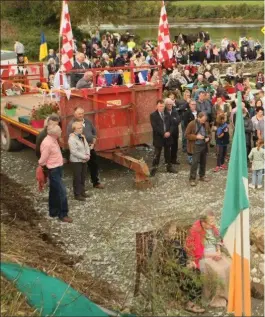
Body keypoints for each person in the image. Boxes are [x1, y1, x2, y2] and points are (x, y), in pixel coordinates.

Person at [157, 221, 205, 314]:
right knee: (194, 277)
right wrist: (186, 265)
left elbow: (183, 255)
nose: (174, 232)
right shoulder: (167, 244)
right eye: (172, 230)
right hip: (175, 269)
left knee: (197, 272)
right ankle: (190, 304)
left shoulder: (175, 241)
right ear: (166, 231)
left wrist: (189, 261)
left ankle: (192, 300)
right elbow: (174, 261)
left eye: (174, 229)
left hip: (181, 266)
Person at [186, 211, 231, 308]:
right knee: (219, 271)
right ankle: (216, 298)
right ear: (203, 222)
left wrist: (218, 251)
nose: (213, 224)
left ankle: (229, 295)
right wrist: (212, 254)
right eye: (211, 221)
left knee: (230, 265)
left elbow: (218, 239)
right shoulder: (195, 231)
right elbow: (197, 253)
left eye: (213, 221)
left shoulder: (212, 229)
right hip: (203, 258)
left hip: (215, 254)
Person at [38, 125, 72, 223]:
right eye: (60, 130)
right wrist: (46, 167)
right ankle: (63, 214)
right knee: (62, 192)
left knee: (53, 191)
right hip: (53, 170)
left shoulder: (53, 140)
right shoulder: (47, 143)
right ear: (54, 133)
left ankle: (53, 212)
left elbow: (53, 154)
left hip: (57, 168)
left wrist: (60, 160)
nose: (61, 131)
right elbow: (42, 160)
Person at [67, 107, 104, 189]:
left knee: (94, 165)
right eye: (79, 113)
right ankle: (80, 189)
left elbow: (94, 132)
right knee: (80, 170)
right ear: (74, 114)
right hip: (80, 150)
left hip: (90, 148)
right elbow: (70, 138)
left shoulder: (88, 122)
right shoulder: (71, 124)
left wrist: (93, 142)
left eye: (82, 113)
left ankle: (96, 183)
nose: (81, 115)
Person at [150, 100, 177, 176]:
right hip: (158, 137)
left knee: (168, 153)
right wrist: (163, 133)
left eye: (163, 106)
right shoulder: (153, 115)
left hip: (168, 137)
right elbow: (155, 127)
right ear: (157, 106)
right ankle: (154, 168)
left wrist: (169, 132)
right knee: (157, 154)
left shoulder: (167, 114)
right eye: (160, 106)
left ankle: (169, 167)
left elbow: (172, 124)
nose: (162, 108)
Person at [185, 112, 211, 186]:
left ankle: (202, 176)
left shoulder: (206, 123)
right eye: (202, 120)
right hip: (196, 145)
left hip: (204, 145)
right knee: (195, 163)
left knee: (203, 161)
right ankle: (192, 179)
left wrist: (208, 138)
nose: (203, 122)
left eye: (204, 120)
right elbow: (186, 135)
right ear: (198, 117)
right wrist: (196, 137)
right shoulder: (192, 124)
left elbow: (209, 133)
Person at [68, 121, 91, 201]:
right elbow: (74, 152)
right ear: (74, 129)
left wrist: (88, 155)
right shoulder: (71, 138)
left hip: (84, 159)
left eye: (81, 128)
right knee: (77, 177)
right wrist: (84, 157)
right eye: (79, 128)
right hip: (76, 161)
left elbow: (87, 146)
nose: (81, 129)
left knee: (83, 176)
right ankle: (77, 194)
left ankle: (82, 191)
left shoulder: (82, 136)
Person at [164, 98, 181, 165]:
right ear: (165, 105)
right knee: (167, 147)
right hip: (167, 132)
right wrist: (173, 120)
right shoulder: (164, 111)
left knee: (175, 146)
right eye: (168, 104)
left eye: (171, 104)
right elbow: (165, 122)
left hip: (175, 132)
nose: (169, 106)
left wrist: (172, 120)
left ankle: (173, 160)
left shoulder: (174, 110)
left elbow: (178, 120)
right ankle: (167, 161)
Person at [183, 100, 198, 165]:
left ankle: (196, 158)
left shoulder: (198, 112)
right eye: (192, 104)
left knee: (197, 145)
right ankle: (190, 159)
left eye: (195, 104)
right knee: (190, 145)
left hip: (198, 130)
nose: (194, 106)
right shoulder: (187, 113)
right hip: (190, 131)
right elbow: (185, 123)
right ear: (189, 105)